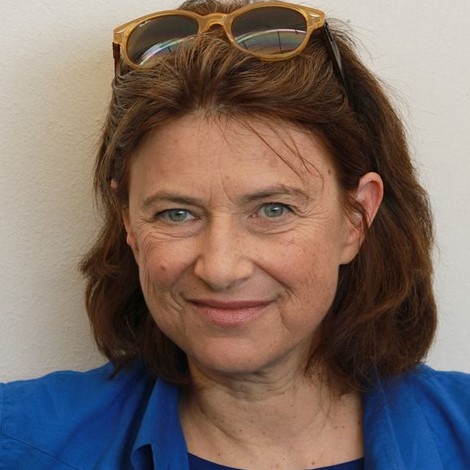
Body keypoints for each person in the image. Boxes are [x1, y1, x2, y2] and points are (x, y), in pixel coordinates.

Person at [1, 0, 469, 468]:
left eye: (273, 209)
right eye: (176, 214)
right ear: (128, 221)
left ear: (356, 217)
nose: (220, 269)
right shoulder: (19, 442)